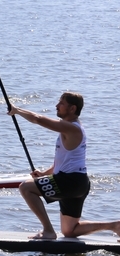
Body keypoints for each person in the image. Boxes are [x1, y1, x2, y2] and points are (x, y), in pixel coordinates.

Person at [9, 93, 120, 241]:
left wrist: (17, 110)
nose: (56, 106)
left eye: (61, 103)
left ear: (72, 108)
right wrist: (44, 174)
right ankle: (114, 226)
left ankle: (48, 231)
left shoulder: (72, 128)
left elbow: (38, 119)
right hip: (78, 182)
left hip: (70, 182)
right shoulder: (69, 130)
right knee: (70, 231)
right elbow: (61, 163)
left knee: (25, 187)